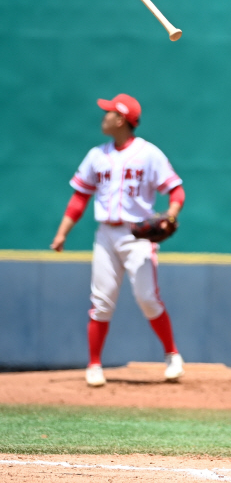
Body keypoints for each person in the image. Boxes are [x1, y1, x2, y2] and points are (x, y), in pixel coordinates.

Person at [51, 94, 186, 388]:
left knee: (148, 298)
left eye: (109, 111)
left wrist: (170, 215)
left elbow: (176, 191)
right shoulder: (97, 155)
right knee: (101, 302)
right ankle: (95, 364)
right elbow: (79, 198)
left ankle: (172, 355)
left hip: (138, 235)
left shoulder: (149, 153)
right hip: (106, 235)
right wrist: (62, 233)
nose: (104, 116)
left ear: (121, 119)